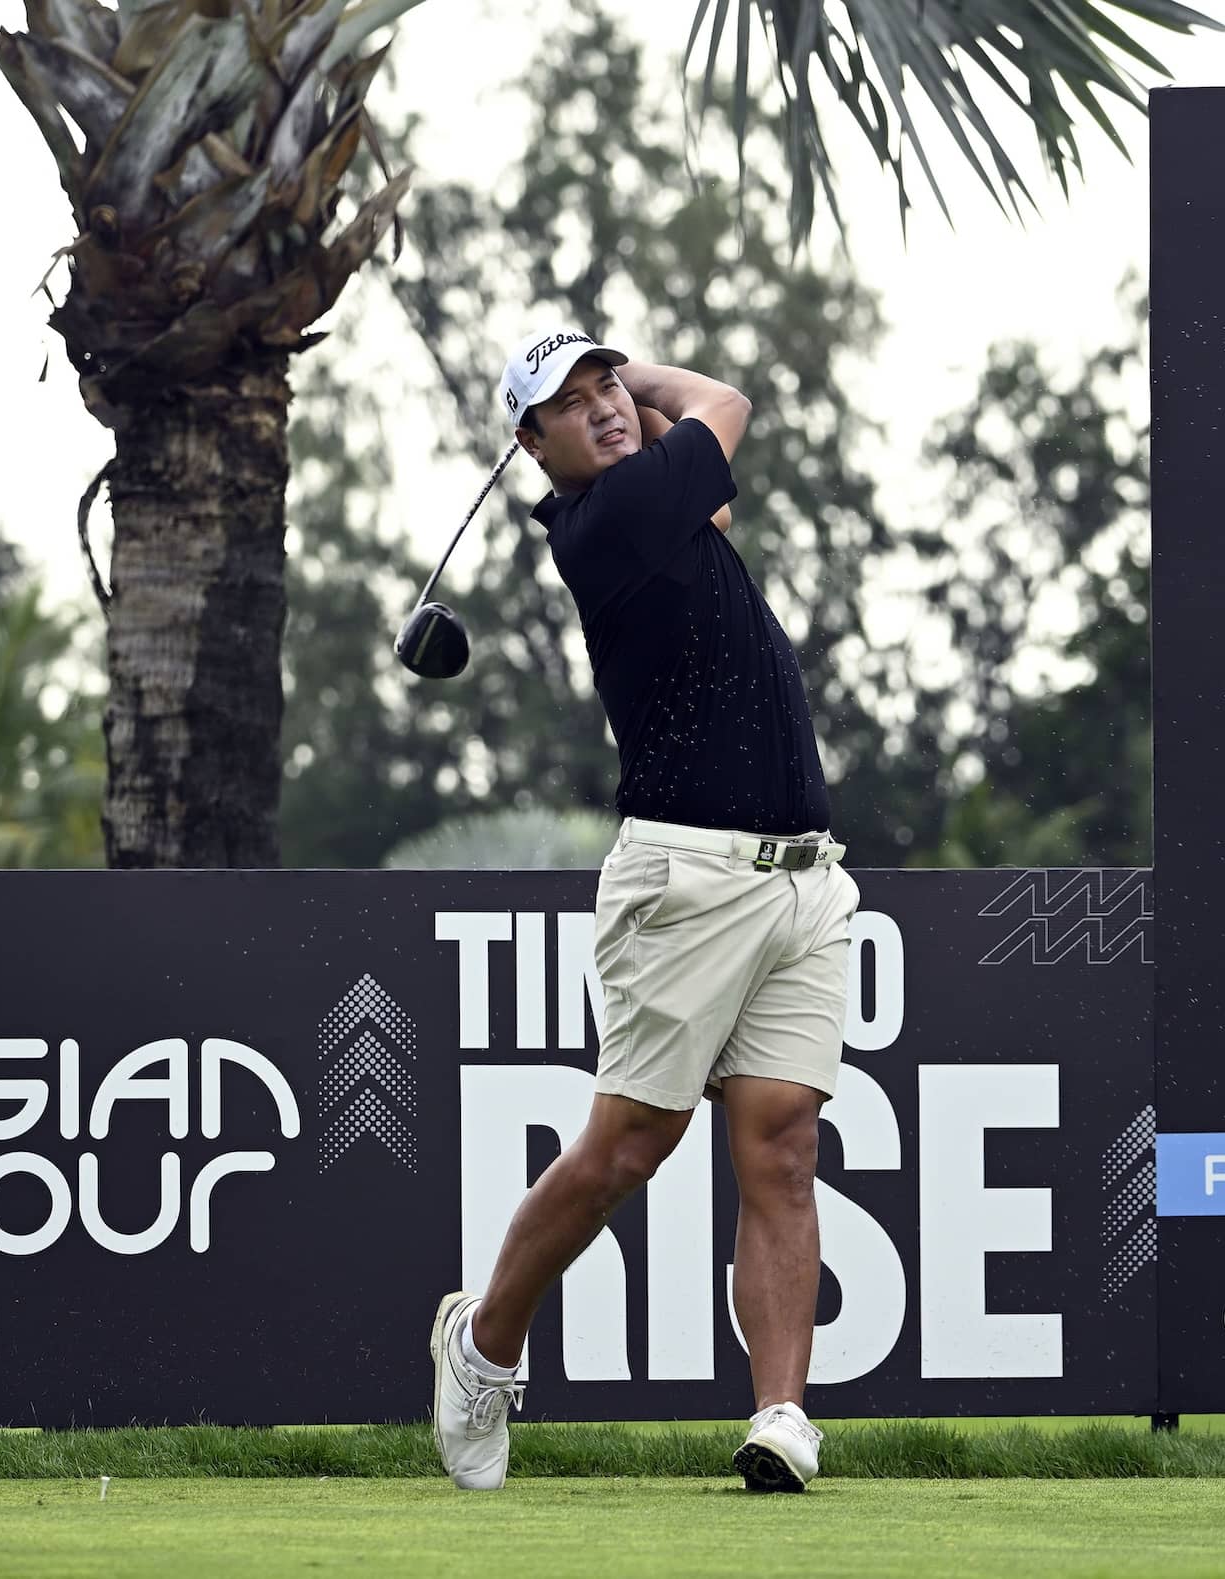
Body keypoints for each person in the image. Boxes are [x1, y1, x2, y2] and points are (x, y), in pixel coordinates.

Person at [431, 328, 858, 1494]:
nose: (607, 408)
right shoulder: (608, 524)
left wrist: (616, 387)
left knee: (781, 1144)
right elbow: (726, 397)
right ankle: (482, 1343)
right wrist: (654, 373)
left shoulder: (669, 507)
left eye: (608, 385)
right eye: (571, 405)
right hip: (687, 877)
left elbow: (696, 460)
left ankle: (782, 1415)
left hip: (805, 876)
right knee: (631, 1144)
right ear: (535, 446)